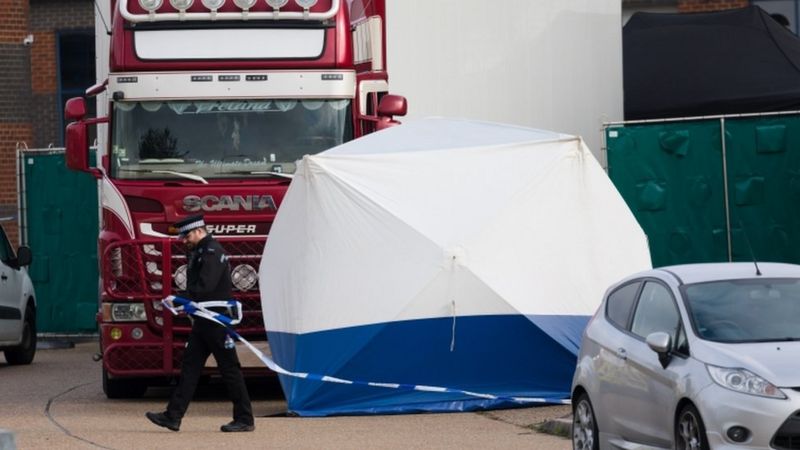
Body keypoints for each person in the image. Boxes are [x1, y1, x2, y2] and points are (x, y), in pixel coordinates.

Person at [146, 215, 254, 433]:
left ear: (197, 231)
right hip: (203, 322)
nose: (183, 240)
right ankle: (173, 416)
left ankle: (244, 418)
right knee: (190, 368)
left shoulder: (212, 252)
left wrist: (181, 297)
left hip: (214, 322)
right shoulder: (201, 252)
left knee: (229, 369)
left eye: (185, 235)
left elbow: (205, 287)